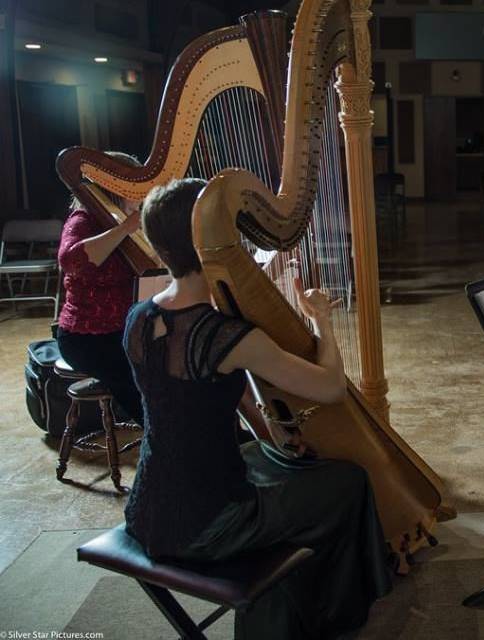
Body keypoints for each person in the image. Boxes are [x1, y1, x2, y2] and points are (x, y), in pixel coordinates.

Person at [122, 178, 391, 639]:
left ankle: (296, 592)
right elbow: (331, 389)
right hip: (211, 524)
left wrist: (274, 433)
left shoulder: (138, 318)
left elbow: (204, 400)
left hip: (145, 510)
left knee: (271, 461)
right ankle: (331, 614)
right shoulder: (230, 337)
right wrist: (321, 321)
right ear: (211, 243)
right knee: (348, 482)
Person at [57, 152, 144, 424]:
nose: (140, 194)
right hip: (87, 339)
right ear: (114, 189)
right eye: (134, 188)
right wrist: (126, 228)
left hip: (121, 331)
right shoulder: (82, 220)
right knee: (146, 380)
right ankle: (166, 442)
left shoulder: (124, 218)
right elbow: (71, 260)